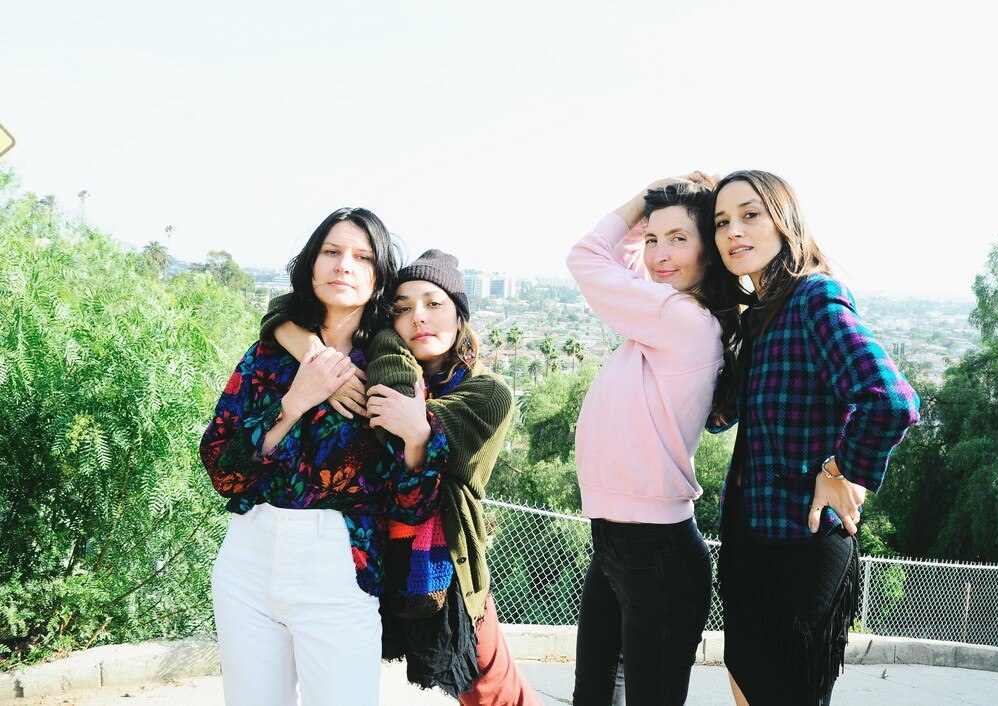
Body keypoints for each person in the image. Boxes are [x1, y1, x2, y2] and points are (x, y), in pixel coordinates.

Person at [263, 249, 541, 705]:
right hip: (369, 556)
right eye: (402, 308)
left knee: (493, 693)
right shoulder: (376, 354)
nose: (418, 318)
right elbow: (280, 309)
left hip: (445, 564)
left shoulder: (488, 392)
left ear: (460, 315)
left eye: (434, 304)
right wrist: (309, 346)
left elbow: (399, 418)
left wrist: (411, 420)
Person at [199, 207, 444, 706]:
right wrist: (294, 403)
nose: (343, 265)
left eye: (362, 257)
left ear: (378, 278)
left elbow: (412, 505)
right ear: (312, 264)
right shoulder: (268, 355)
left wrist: (419, 441)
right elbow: (222, 468)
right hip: (249, 554)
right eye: (331, 251)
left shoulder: (390, 370)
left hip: (340, 563)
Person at [705, 170, 920, 706]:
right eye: (721, 221)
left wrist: (841, 471)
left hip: (801, 542)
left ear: (786, 224)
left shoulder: (813, 299)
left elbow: (891, 398)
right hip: (749, 539)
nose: (734, 231)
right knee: (748, 683)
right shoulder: (759, 316)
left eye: (750, 215)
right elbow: (717, 415)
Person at [565, 175, 737, 705]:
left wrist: (646, 197)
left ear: (710, 248)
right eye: (653, 239)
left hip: (655, 550)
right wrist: (664, 211)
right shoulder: (664, 308)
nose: (660, 254)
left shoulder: (682, 318)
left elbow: (587, 256)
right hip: (618, 541)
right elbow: (621, 258)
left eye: (680, 239)